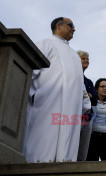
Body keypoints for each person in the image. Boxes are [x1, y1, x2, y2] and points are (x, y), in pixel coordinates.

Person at [21, 17, 89, 162]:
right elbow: (31, 70)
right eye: (71, 25)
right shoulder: (45, 44)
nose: (74, 29)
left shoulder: (74, 56)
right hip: (48, 104)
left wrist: (84, 105)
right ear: (58, 26)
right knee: (44, 143)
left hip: (72, 110)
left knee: (67, 147)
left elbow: (79, 83)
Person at [77, 50, 98, 161]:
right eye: (83, 58)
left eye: (87, 59)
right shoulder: (73, 77)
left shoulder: (89, 82)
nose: (86, 61)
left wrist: (88, 96)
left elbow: (94, 99)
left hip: (87, 117)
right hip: (74, 116)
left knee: (83, 147)